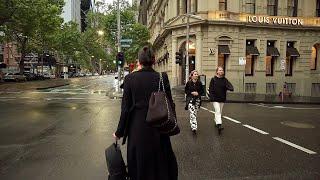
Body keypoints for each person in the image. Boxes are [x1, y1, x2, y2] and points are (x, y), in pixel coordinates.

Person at [113, 46, 178, 180]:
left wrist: (119, 133)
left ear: (139, 61)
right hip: (159, 126)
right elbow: (170, 103)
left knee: (140, 166)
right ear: (154, 60)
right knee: (160, 164)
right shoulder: (162, 77)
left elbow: (125, 109)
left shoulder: (130, 79)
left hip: (138, 129)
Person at [208, 66, 234, 135]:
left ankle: (216, 120)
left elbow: (229, 85)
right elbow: (210, 89)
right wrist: (211, 97)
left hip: (222, 98)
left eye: (222, 70)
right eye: (219, 70)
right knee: (218, 111)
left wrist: (231, 88)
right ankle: (219, 125)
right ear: (217, 71)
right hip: (215, 98)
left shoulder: (224, 80)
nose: (221, 71)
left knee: (219, 112)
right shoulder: (213, 79)